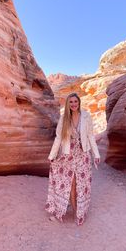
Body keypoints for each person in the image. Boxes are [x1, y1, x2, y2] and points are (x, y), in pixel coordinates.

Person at [45, 92, 100, 225]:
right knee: (71, 184)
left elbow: (91, 136)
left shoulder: (86, 116)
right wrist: (52, 156)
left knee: (80, 184)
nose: (73, 104)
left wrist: (96, 154)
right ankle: (72, 210)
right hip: (68, 155)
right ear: (68, 104)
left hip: (83, 155)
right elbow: (59, 138)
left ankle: (78, 212)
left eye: (75, 101)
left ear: (79, 102)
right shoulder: (64, 119)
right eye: (71, 102)